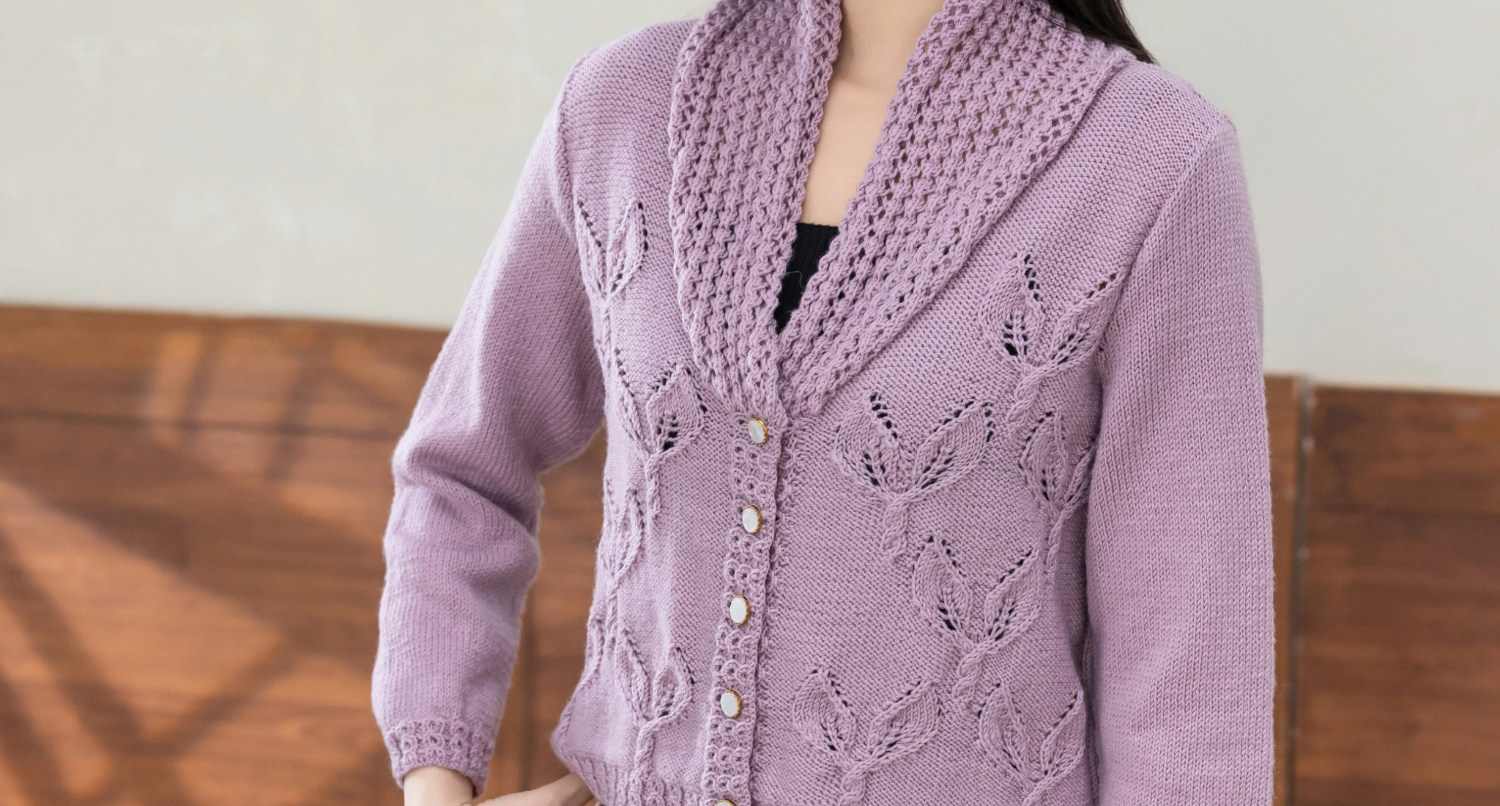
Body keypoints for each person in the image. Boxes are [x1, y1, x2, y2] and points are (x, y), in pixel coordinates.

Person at [373, 0, 1275, 804]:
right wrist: (436, 777)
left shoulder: (1156, 159)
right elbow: (460, 472)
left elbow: (1189, 675)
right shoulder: (621, 105)